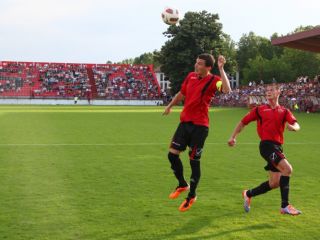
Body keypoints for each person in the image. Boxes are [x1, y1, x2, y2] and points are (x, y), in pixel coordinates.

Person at [163, 53, 231, 212]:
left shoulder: (214, 81)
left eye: (200, 63)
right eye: (196, 62)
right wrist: (170, 105)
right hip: (184, 123)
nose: (196, 65)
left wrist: (221, 68)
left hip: (200, 127)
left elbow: (227, 90)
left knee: (194, 161)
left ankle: (191, 195)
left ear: (208, 67)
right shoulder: (190, 76)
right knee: (172, 155)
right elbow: (182, 94)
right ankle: (182, 184)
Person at [228, 83, 302, 215]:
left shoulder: (284, 111)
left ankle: (248, 193)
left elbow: (296, 124)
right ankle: (285, 206)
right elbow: (243, 122)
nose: (268, 92)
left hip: (278, 147)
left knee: (274, 183)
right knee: (288, 169)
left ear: (278, 92)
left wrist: (293, 128)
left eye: (272, 90)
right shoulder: (260, 109)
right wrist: (233, 137)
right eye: (267, 90)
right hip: (266, 146)